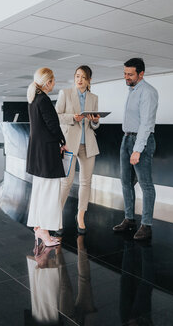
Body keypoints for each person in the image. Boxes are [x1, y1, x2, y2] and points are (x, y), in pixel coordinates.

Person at [112, 58, 159, 240]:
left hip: (142, 141)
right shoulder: (132, 90)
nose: (126, 77)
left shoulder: (148, 92)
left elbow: (146, 124)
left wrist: (137, 150)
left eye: (130, 74)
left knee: (146, 184)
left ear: (141, 74)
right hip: (126, 139)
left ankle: (146, 225)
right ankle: (129, 219)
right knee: (125, 182)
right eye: (125, 73)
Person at [55, 65, 100, 234]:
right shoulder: (65, 93)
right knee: (66, 182)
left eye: (83, 77)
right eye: (77, 76)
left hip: (88, 144)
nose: (79, 80)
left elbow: (95, 125)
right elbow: (57, 116)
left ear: (89, 80)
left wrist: (95, 120)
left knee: (86, 182)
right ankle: (56, 216)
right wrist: (73, 117)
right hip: (69, 143)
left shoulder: (93, 98)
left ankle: (80, 215)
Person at [26, 67, 68, 247]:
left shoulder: (33, 99)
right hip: (47, 152)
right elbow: (52, 124)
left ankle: (39, 228)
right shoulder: (44, 99)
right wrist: (62, 141)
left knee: (40, 191)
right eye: (53, 81)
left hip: (37, 153)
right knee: (50, 192)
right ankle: (44, 231)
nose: (54, 84)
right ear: (48, 82)